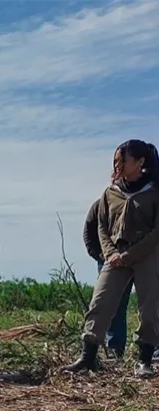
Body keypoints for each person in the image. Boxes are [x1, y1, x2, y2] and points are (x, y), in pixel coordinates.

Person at [65, 140, 159, 378]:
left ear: (139, 162)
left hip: (147, 256)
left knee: (149, 310)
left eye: (121, 160)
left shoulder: (154, 190)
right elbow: (101, 226)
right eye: (115, 160)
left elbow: (157, 233)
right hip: (115, 257)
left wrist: (129, 255)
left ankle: (145, 360)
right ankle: (88, 358)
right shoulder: (110, 193)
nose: (117, 165)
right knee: (100, 302)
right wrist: (110, 253)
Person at [83, 198, 132, 359]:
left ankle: (152, 349)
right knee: (111, 306)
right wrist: (102, 256)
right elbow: (89, 233)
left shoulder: (145, 199)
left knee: (150, 303)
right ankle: (114, 350)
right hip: (109, 261)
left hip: (140, 259)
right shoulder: (100, 204)